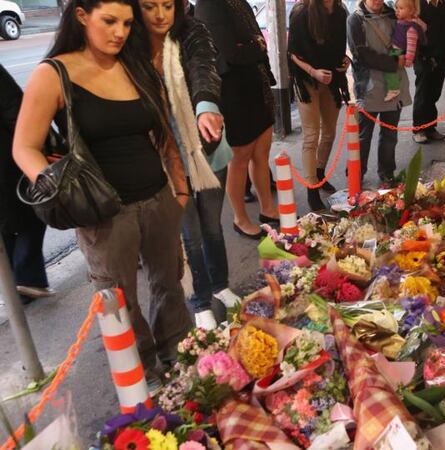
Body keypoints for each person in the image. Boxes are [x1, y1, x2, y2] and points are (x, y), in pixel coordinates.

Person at [12, 0, 193, 391]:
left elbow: (164, 132)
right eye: (109, 21)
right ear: (81, 16)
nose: (120, 32)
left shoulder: (135, 63)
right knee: (118, 302)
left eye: (127, 23)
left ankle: (181, 361)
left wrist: (179, 187)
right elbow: (24, 146)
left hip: (158, 198)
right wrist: (59, 187)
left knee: (170, 285)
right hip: (103, 213)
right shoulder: (54, 73)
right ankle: (141, 380)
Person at [135, 0, 242, 330]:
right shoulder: (130, 47)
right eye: (149, 6)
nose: (160, 14)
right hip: (166, 161)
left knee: (212, 227)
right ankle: (199, 300)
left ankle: (221, 286)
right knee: (190, 236)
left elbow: (202, 69)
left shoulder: (193, 30)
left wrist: (206, 107)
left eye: (168, 5)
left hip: (206, 152)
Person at [195, 0, 280, 239]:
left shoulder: (239, 2)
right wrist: (257, 45)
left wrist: (253, 44)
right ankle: (240, 218)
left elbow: (251, 43)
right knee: (240, 158)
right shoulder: (209, 5)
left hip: (258, 87)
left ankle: (267, 209)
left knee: (262, 154)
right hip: (234, 93)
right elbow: (231, 52)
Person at [1, 63, 56, 305]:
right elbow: (16, 109)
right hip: (9, 157)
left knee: (7, 222)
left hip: (9, 156)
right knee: (32, 211)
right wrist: (36, 146)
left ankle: (18, 282)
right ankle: (26, 278)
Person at [288, 0, 350, 211]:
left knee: (330, 132)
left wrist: (344, 61)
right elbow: (292, 53)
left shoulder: (341, 11)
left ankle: (320, 171)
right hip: (306, 80)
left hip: (332, 79)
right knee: (311, 135)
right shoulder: (301, 12)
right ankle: (312, 187)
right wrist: (313, 71)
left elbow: (340, 47)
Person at [347, 0, 411, 184]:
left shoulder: (393, 14)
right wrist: (393, 63)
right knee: (363, 135)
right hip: (368, 87)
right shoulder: (355, 20)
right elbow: (361, 55)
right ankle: (356, 175)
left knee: (390, 134)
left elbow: (405, 40)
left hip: (394, 86)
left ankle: (387, 173)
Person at [412, 0, 445, 144]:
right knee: (423, 92)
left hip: (441, 55)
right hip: (423, 56)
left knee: (435, 92)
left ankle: (430, 127)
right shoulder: (416, 4)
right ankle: (419, 129)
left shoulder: (443, 3)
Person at [383, 0, 426, 102]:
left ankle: (393, 89)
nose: (397, 11)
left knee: (389, 66)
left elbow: (411, 46)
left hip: (399, 51)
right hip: (396, 49)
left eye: (401, 9)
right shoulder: (403, 21)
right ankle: (393, 87)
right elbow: (423, 26)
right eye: (396, 8)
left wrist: (408, 60)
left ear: (411, 11)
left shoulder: (411, 28)